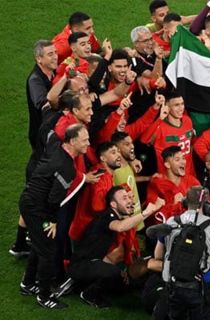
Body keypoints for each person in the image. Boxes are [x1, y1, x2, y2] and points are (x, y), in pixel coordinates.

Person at [19, 124, 89, 309]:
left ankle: (27, 284)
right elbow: (54, 199)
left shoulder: (57, 147)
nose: (88, 144)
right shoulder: (67, 168)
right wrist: (52, 221)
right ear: (72, 141)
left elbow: (47, 135)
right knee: (48, 250)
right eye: (84, 140)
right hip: (37, 209)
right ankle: (44, 295)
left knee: (40, 245)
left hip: (30, 201)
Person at [67, 186, 164, 308]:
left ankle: (84, 286)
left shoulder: (113, 216)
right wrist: (146, 212)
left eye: (129, 197)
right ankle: (88, 294)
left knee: (122, 279)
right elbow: (120, 226)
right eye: (124, 198)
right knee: (114, 273)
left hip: (91, 263)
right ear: (113, 204)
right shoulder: (108, 216)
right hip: (79, 266)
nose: (129, 200)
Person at [10, 40, 59, 257]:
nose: (55, 57)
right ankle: (23, 242)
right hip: (41, 144)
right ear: (39, 59)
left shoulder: (50, 75)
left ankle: (20, 244)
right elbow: (43, 104)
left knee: (33, 194)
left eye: (55, 53)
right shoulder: (35, 80)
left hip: (45, 143)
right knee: (36, 196)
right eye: (50, 54)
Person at [152, 186, 210, 320]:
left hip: (174, 285)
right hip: (203, 286)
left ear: (185, 202)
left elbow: (158, 255)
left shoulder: (171, 222)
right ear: (207, 204)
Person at [145, 146, 210, 224]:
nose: (183, 162)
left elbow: (208, 205)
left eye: (183, 158)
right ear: (167, 165)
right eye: (177, 159)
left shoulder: (191, 181)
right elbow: (153, 217)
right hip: (169, 231)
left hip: (191, 229)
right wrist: (174, 205)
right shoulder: (157, 183)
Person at [69, 142, 123, 241]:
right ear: (103, 158)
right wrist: (118, 209)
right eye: (113, 152)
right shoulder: (100, 177)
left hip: (88, 230)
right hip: (86, 232)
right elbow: (97, 207)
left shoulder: (104, 173)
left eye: (118, 152)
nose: (119, 155)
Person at [140, 91, 196, 176]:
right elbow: (144, 140)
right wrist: (160, 118)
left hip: (188, 175)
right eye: (176, 105)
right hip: (168, 178)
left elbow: (191, 145)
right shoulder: (160, 126)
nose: (181, 108)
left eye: (182, 104)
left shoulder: (187, 120)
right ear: (167, 107)